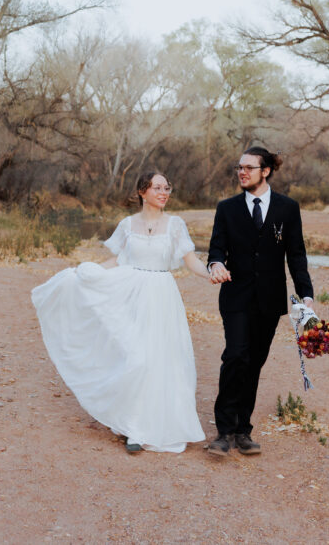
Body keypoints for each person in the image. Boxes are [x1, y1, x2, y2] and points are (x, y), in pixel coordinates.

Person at [31, 172, 211, 453]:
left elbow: (192, 261)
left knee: (162, 360)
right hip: (131, 295)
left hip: (162, 298)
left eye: (167, 188)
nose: (164, 192)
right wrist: (86, 273)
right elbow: (117, 260)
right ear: (142, 191)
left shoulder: (175, 225)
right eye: (157, 187)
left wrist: (212, 273)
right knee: (135, 358)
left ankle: (158, 425)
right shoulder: (127, 225)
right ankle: (133, 427)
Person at [206, 146, 314, 457]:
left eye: (249, 168)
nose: (242, 172)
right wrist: (216, 264)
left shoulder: (287, 208)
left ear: (265, 171)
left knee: (254, 363)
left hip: (269, 300)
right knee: (235, 356)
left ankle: (243, 430)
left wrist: (306, 295)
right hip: (235, 296)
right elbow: (216, 249)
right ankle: (224, 431)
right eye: (239, 167)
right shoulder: (226, 208)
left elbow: (296, 255)